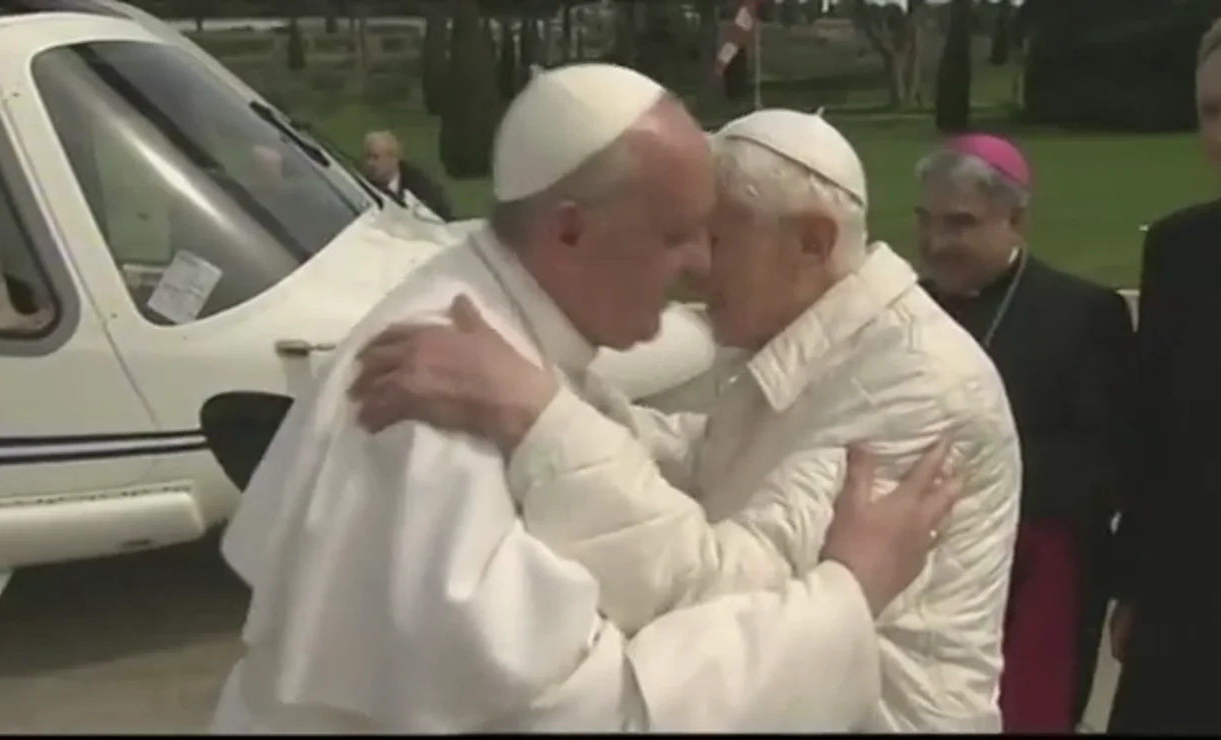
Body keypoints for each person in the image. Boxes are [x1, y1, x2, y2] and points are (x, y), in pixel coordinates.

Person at [209, 64, 959, 733]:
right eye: (678, 236)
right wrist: (847, 598)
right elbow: (600, 714)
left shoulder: (495, 334)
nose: (698, 268)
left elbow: (628, 446)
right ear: (570, 231)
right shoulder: (431, 396)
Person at [913, 134, 1137, 733]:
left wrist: (971, 476)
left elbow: (1108, 462)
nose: (936, 244)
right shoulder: (904, 308)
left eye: (960, 224)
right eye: (925, 222)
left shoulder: (1083, 314)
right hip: (917, 575)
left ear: (1016, 218)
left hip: (1041, 576)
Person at [1105, 19, 1221, 734]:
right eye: (1213, 112)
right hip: (1189, 600)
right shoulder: (1179, 251)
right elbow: (1151, 434)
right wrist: (1133, 586)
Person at [360, 129, 453, 221]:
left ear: (394, 158)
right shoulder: (361, 186)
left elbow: (443, 217)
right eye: (367, 157)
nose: (370, 163)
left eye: (375, 157)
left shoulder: (421, 184)